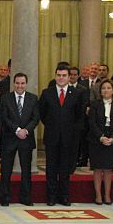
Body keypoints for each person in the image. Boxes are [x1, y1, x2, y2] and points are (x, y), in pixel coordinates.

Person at [38, 64, 86, 206]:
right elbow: (43, 114)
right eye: (59, 75)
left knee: (65, 168)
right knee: (51, 168)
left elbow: (79, 115)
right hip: (52, 136)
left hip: (69, 138)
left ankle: (64, 196)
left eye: (64, 75)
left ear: (69, 77)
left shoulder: (76, 93)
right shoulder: (47, 93)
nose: (61, 78)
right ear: (55, 75)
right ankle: (51, 196)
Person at [0, 72, 39, 206]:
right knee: (5, 170)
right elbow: (4, 117)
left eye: (22, 83)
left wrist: (26, 131)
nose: (19, 86)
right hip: (10, 138)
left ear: (26, 84)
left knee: (26, 170)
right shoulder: (6, 98)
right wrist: (17, 130)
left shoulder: (33, 98)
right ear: (13, 83)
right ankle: (4, 197)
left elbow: (35, 118)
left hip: (26, 139)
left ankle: (26, 197)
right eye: (17, 83)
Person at [87, 80, 113, 205]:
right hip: (97, 140)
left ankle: (107, 195)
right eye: (103, 88)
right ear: (100, 91)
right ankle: (98, 195)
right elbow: (92, 123)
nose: (106, 90)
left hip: (112, 141)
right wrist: (101, 137)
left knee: (108, 168)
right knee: (98, 168)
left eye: (109, 88)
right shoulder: (94, 104)